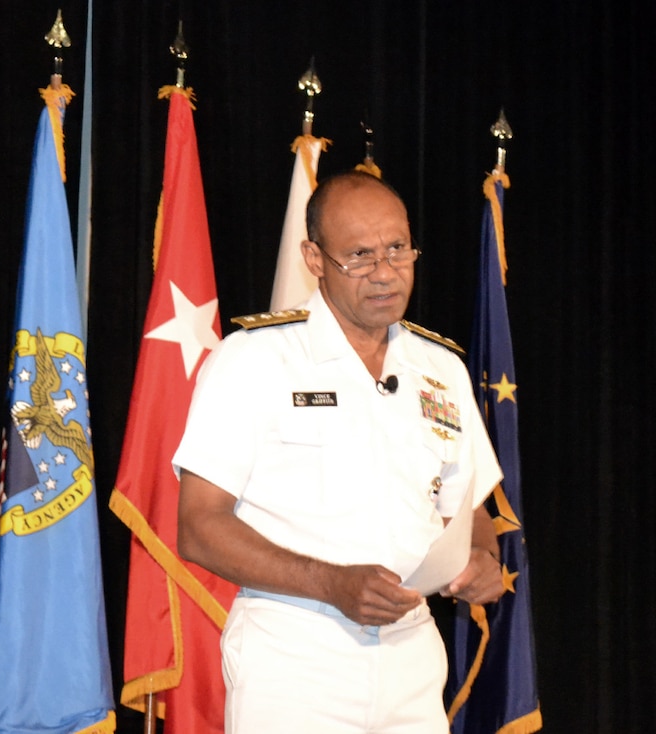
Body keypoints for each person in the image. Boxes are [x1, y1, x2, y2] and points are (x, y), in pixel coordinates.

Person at [174, 170, 506, 733]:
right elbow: (198, 527)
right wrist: (331, 583)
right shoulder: (255, 359)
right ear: (314, 257)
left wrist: (482, 561)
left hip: (412, 657)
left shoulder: (441, 369)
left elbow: (470, 510)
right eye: (359, 255)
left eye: (398, 249)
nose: (385, 272)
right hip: (295, 655)